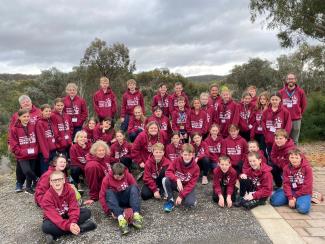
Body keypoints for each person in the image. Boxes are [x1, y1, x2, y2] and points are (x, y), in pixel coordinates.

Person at [41, 171, 96, 242]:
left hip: (67, 214)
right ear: (50, 182)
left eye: (60, 179)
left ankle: (55, 235)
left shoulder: (70, 190)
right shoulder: (47, 197)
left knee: (86, 212)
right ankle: (81, 228)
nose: (57, 182)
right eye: (54, 180)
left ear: (64, 180)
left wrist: (73, 222)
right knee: (46, 227)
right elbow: (54, 216)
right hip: (54, 218)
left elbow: (73, 207)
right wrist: (68, 226)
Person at [99, 163, 143, 235]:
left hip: (126, 198)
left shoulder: (128, 175)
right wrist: (108, 211)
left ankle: (136, 215)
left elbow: (136, 189)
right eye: (117, 177)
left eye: (121, 176)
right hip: (115, 201)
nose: (119, 179)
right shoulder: (106, 179)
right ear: (113, 173)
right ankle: (121, 220)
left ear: (124, 173)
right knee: (109, 192)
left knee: (134, 187)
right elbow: (102, 195)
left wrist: (135, 201)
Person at [9, 95, 41, 192]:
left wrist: (36, 149)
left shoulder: (37, 114)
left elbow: (37, 136)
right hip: (22, 152)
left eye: (27, 101)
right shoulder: (15, 125)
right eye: (23, 102)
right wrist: (18, 151)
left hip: (33, 151)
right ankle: (32, 181)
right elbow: (12, 138)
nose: (26, 103)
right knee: (25, 169)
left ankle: (28, 187)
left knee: (31, 169)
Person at [271, 149, 313, 214]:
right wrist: (290, 197)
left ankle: (300, 200)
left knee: (303, 209)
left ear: (301, 158)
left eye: (297, 157)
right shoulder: (286, 168)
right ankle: (289, 199)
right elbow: (286, 184)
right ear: (289, 158)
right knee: (274, 202)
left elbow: (307, 186)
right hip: (291, 190)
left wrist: (295, 197)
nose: (294, 160)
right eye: (292, 157)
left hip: (303, 192)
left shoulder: (307, 168)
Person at [162, 144, 200, 212]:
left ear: (193, 155)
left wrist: (181, 196)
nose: (187, 157)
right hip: (177, 184)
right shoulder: (176, 160)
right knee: (165, 180)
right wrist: (177, 179)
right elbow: (168, 172)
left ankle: (187, 197)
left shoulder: (196, 167)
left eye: (189, 154)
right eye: (185, 154)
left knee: (189, 203)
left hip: (186, 186)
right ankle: (170, 200)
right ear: (181, 154)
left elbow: (191, 184)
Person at [278, 73, 307, 145]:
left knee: (294, 140)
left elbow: (303, 105)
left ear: (295, 80)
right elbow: (278, 105)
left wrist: (298, 114)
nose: (290, 80)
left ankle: (294, 155)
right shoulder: (281, 92)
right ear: (286, 80)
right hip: (284, 119)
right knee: (283, 139)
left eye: (292, 79)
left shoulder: (300, 91)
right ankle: (284, 155)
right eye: (289, 79)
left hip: (296, 120)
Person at [262, 92, 292, 159]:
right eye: (272, 99)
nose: (274, 101)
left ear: (280, 100)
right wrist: (266, 135)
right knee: (271, 156)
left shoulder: (285, 111)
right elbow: (263, 124)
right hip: (269, 140)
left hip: (280, 140)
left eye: (276, 99)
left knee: (281, 157)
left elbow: (288, 125)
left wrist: (284, 137)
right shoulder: (266, 112)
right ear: (270, 100)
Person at [84, 140, 114, 205]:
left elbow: (111, 161)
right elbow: (93, 182)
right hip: (104, 188)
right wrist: (94, 197)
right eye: (99, 150)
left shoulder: (104, 157)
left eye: (103, 150)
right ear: (95, 151)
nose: (102, 152)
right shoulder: (92, 166)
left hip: (109, 183)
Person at [36, 104, 57, 174]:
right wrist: (46, 154)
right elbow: (41, 140)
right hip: (45, 152)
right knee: (45, 171)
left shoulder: (49, 120)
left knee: (53, 169)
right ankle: (44, 184)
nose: (48, 112)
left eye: (49, 111)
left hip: (53, 149)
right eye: (46, 111)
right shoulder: (39, 123)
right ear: (41, 112)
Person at [250, 91, 269, 157]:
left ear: (267, 100)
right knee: (255, 149)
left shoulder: (269, 109)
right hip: (256, 132)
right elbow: (253, 120)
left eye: (264, 99)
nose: (262, 100)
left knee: (262, 149)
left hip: (264, 133)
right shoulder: (257, 108)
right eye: (261, 99)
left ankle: (264, 163)